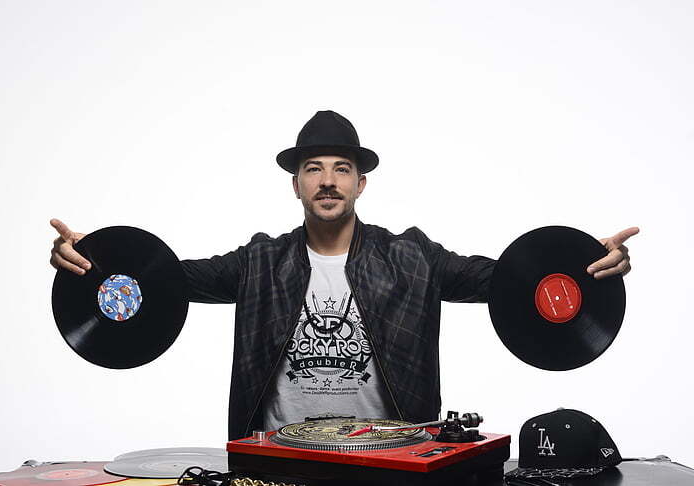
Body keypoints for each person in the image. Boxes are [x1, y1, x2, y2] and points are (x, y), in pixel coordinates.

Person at [49, 110, 638, 440]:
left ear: (360, 183)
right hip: (279, 463)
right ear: (296, 184)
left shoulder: (413, 257)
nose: (327, 180)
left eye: (341, 169)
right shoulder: (259, 262)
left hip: (391, 462)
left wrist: (591, 271)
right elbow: (160, 281)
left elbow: (509, 281)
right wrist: (91, 265)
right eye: (314, 168)